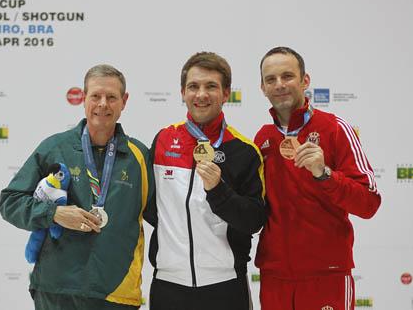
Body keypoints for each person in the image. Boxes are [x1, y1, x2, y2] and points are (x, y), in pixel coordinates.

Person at [0, 64, 154, 310]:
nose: (103, 103)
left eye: (112, 97)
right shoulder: (55, 147)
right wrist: (54, 214)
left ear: (124, 102)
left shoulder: (139, 157)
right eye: (96, 96)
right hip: (57, 290)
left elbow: (163, 215)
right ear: (83, 99)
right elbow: (10, 202)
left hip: (115, 293)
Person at [255, 46, 381, 310]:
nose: (279, 85)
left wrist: (325, 174)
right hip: (275, 276)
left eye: (287, 76)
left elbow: (369, 203)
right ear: (263, 88)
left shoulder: (335, 128)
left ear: (305, 80)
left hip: (327, 275)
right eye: (271, 79)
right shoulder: (263, 139)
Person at [146, 52, 266, 310]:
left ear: (226, 94)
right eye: (193, 86)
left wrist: (219, 192)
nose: (201, 94)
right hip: (168, 283)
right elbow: (150, 209)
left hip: (224, 285)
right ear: (182, 92)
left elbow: (254, 220)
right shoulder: (163, 141)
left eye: (211, 86)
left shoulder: (243, 151)